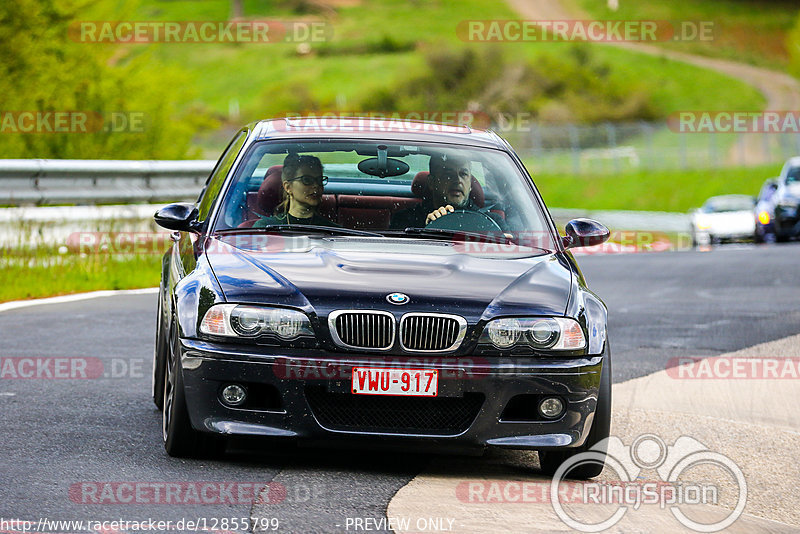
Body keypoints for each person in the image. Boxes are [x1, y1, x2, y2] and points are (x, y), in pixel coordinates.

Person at [389, 151, 506, 231]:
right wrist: (426, 229)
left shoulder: (493, 222)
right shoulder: (405, 220)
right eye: (448, 174)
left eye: (463, 174)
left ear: (471, 183)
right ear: (431, 182)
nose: (457, 180)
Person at [253, 154, 340, 227]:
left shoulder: (332, 230)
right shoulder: (265, 228)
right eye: (307, 180)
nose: (316, 186)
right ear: (288, 187)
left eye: (319, 180)